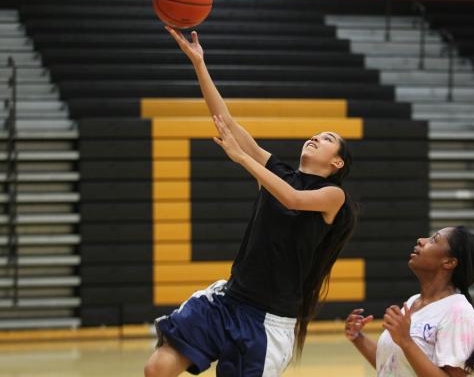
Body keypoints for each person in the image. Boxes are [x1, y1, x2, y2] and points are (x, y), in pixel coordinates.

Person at [144, 26, 357, 377]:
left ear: (337, 163)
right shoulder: (279, 171)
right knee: (157, 368)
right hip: (229, 301)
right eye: (315, 134)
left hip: (268, 321)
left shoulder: (334, 196)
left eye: (327, 138)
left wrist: (245, 160)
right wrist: (199, 63)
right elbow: (225, 121)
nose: (315, 137)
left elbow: (291, 198)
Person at [345, 226, 474, 377]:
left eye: (434, 240)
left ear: (449, 262)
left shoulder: (458, 311)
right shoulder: (413, 302)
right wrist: (358, 337)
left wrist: (406, 341)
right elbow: (392, 366)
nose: (421, 240)